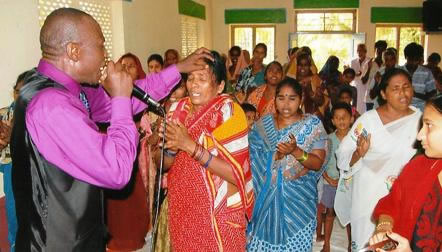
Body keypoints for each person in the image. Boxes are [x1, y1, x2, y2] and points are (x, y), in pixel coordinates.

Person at [10, 8, 211, 251]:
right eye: (101, 46)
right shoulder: (52, 106)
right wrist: (120, 100)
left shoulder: (65, 89)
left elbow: (131, 96)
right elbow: (117, 170)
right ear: (74, 51)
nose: (107, 57)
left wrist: (177, 69)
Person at [156, 51, 254, 251]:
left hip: (218, 214)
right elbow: (160, 163)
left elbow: (236, 175)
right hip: (183, 209)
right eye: (190, 78)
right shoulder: (176, 110)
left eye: (202, 78)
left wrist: (189, 146)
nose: (194, 84)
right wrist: (172, 151)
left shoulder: (230, 113)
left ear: (219, 86)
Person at [335, 68, 422, 251]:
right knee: (370, 243)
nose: (403, 93)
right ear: (383, 93)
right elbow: (343, 153)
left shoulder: (421, 119)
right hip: (369, 195)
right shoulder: (368, 120)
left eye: (406, 87)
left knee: (399, 243)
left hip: (405, 195)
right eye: (395, 88)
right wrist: (359, 153)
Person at [247, 78, 328, 251]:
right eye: (281, 98)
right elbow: (251, 159)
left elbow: (317, 163)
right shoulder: (263, 125)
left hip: (299, 204)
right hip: (265, 203)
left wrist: (295, 151)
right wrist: (274, 156)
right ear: (274, 100)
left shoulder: (312, 125)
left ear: (301, 99)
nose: (286, 104)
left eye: (292, 98)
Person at [369, 94, 442, 252]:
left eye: (429, 125)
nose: (419, 135)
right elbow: (392, 204)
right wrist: (384, 228)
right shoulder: (418, 166)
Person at [106, 52, 149, 252]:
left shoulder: (146, 94)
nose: (125, 68)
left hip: (141, 159)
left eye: (131, 65)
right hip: (118, 155)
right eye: (122, 65)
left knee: (136, 203)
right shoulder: (111, 94)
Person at [0, 71, 32, 252]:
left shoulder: (38, 114)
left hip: (34, 174)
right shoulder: (4, 114)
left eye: (25, 91)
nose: (20, 95)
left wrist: (16, 136)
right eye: (17, 90)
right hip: (12, 175)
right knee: (14, 219)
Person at [321, 102, 353, 252]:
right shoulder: (328, 140)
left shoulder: (356, 139)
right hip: (331, 182)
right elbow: (322, 162)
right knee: (330, 213)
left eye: (344, 118)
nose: (341, 121)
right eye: (338, 118)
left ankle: (351, 246)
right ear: (332, 121)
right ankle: (326, 244)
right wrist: (328, 179)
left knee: (349, 217)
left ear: (351, 119)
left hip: (349, 184)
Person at [400, 42, 436, 112]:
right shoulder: (398, 71)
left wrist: (416, 94)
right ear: (405, 57)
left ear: (420, 59)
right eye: (410, 59)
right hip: (401, 110)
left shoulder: (426, 72)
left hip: (420, 111)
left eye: (416, 60)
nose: (413, 62)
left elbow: (433, 93)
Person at [364, 40, 388, 111]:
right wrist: (369, 68)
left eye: (382, 50)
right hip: (370, 98)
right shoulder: (369, 63)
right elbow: (364, 80)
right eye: (378, 50)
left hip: (383, 98)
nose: (380, 53)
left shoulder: (387, 65)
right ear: (375, 50)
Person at [350, 43, 371, 114]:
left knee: (364, 107)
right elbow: (351, 76)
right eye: (358, 51)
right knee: (356, 105)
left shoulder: (369, 61)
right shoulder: (353, 62)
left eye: (361, 51)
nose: (359, 53)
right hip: (356, 87)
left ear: (365, 51)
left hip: (365, 87)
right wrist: (356, 74)